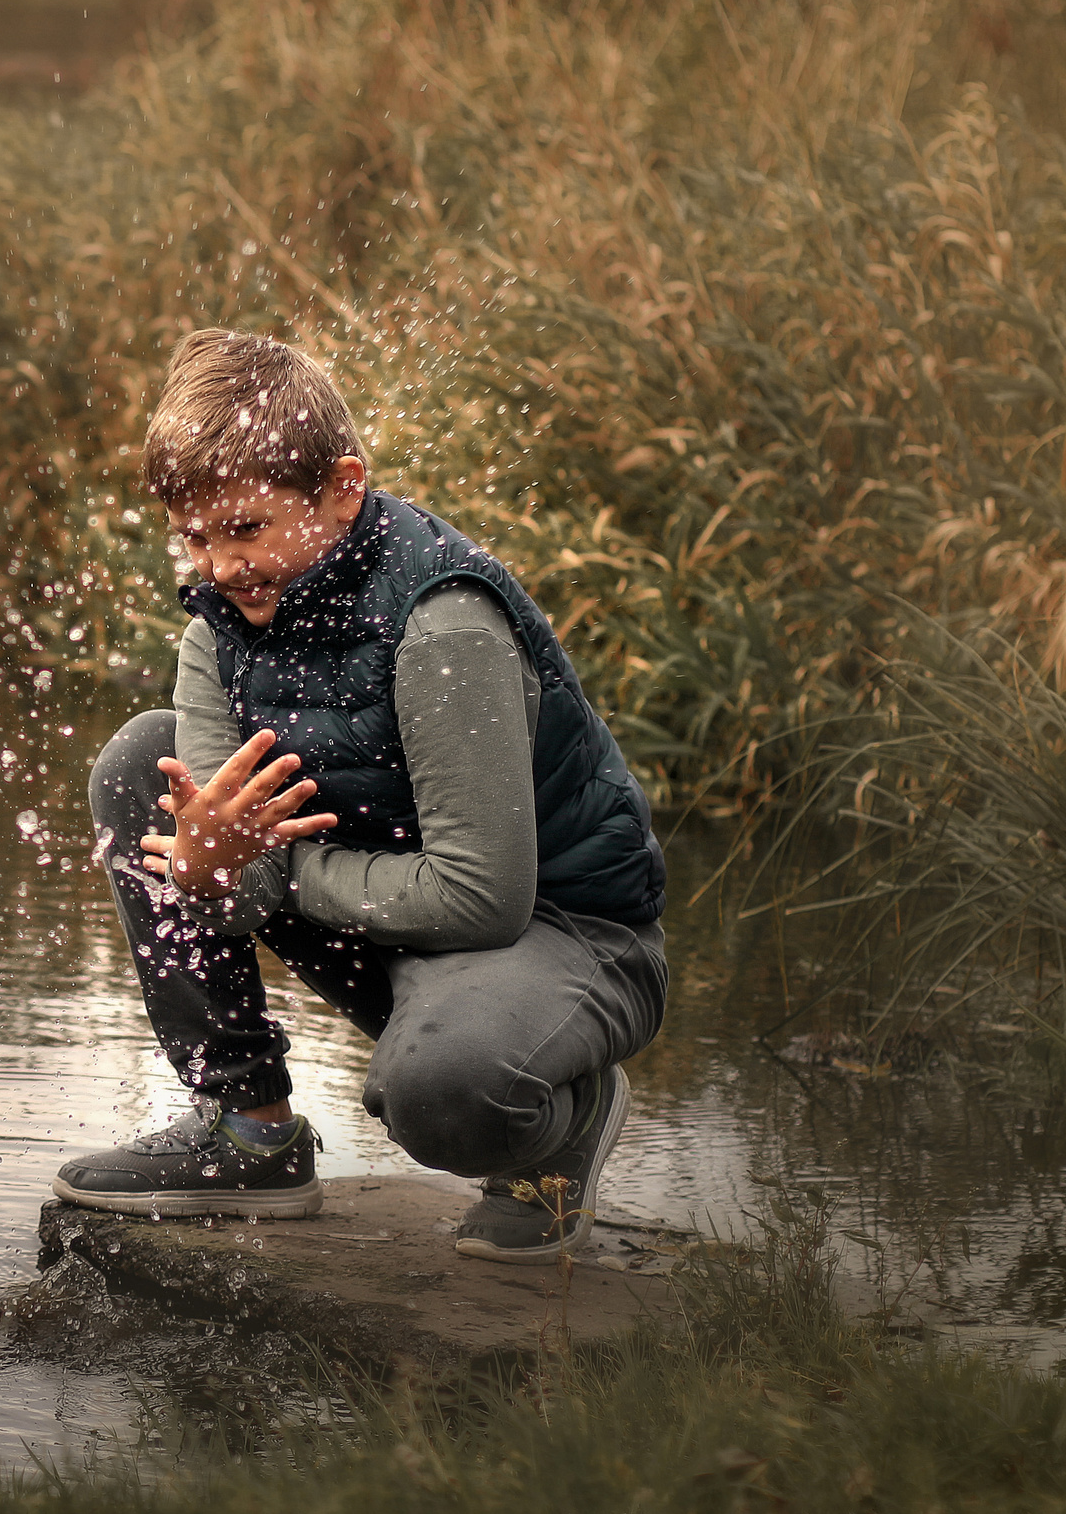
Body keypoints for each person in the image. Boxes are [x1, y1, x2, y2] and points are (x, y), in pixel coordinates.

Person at [55, 328, 669, 1263]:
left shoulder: (441, 624)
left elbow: (482, 896)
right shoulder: (218, 631)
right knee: (145, 765)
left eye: (246, 528)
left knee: (440, 1092)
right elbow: (245, 890)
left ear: (343, 490)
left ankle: (565, 1118)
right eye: (195, 536)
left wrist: (271, 865)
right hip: (390, 910)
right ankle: (248, 1132)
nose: (219, 567)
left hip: (558, 933)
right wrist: (210, 869)